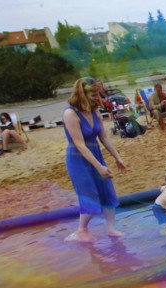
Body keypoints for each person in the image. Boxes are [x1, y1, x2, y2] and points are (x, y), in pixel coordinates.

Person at [63, 77, 127, 242]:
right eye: (94, 95)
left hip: (95, 154)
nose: (98, 98)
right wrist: (99, 167)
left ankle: (111, 228)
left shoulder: (95, 111)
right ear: (82, 93)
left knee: (107, 189)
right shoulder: (70, 114)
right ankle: (81, 230)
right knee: (90, 194)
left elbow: (104, 137)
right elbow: (80, 145)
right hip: (78, 159)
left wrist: (117, 158)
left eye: (99, 94)